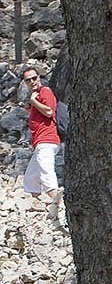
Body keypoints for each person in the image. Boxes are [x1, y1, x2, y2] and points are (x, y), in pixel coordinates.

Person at [22, 65, 62, 220]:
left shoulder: (45, 91)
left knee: (46, 172)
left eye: (34, 78)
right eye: (28, 80)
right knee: (31, 177)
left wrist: (33, 102)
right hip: (40, 141)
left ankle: (58, 204)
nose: (32, 81)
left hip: (47, 139)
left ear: (39, 77)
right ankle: (35, 207)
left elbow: (49, 111)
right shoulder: (36, 95)